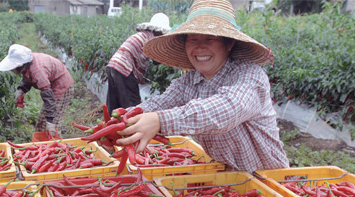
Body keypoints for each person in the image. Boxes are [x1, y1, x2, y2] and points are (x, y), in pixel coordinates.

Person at [116, 0, 289, 173]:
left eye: (209, 38)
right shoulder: (189, 81)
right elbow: (160, 103)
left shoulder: (250, 76)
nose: (200, 47)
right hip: (227, 178)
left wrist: (160, 120)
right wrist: (124, 120)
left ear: (229, 43)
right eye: (193, 39)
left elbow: (226, 110)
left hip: (269, 180)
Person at [0, 44, 74, 137]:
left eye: (13, 68)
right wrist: (21, 89)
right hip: (53, 84)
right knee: (41, 121)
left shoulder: (38, 72)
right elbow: (27, 78)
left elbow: (48, 97)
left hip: (62, 86)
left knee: (53, 125)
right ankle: (42, 146)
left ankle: (58, 147)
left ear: (21, 66)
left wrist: (50, 121)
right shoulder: (27, 63)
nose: (12, 70)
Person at [106, 13, 171, 113]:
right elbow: (156, 61)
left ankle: (111, 127)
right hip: (125, 68)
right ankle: (132, 127)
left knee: (114, 104)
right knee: (132, 106)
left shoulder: (144, 35)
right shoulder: (153, 39)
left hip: (113, 66)